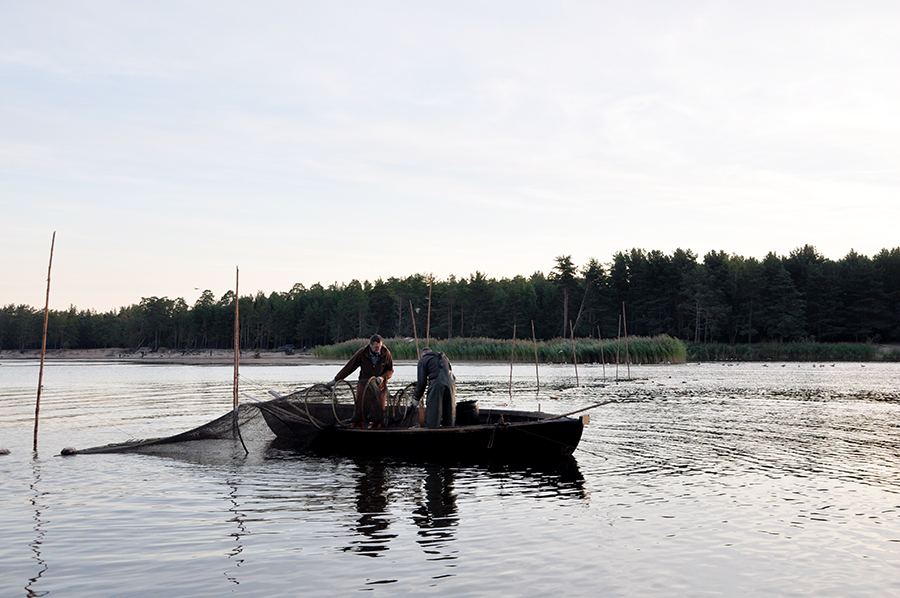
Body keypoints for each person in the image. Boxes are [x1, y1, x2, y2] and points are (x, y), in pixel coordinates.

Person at [326, 334, 394, 428]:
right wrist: (336, 379)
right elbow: (349, 367)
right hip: (364, 384)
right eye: (376, 347)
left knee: (379, 407)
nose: (378, 349)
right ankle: (358, 424)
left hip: (379, 385)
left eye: (379, 347)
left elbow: (390, 370)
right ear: (370, 345)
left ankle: (376, 425)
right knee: (361, 406)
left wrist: (382, 377)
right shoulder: (362, 353)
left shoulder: (386, 353)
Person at [413, 347, 456, 428]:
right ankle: (450, 429)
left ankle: (432, 430)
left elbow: (422, 382)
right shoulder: (444, 357)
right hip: (451, 384)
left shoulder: (423, 360)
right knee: (449, 411)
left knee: (433, 412)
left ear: (422, 355)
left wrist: (416, 398)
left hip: (437, 384)